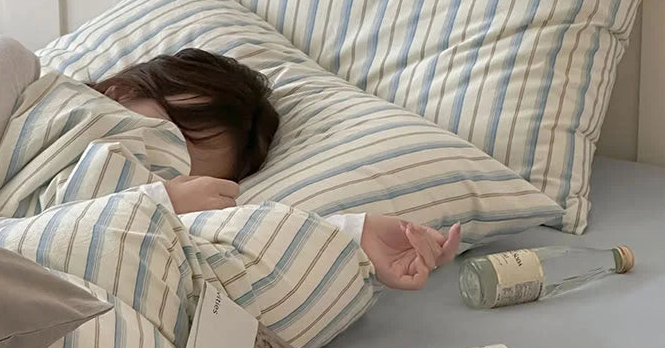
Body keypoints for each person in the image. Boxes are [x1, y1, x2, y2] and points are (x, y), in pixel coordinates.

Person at [90, 49, 461, 290]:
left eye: (179, 176)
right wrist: (157, 198)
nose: (158, 170)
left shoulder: (162, 219)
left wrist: (350, 236)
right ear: (120, 93)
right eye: (164, 139)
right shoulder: (40, 99)